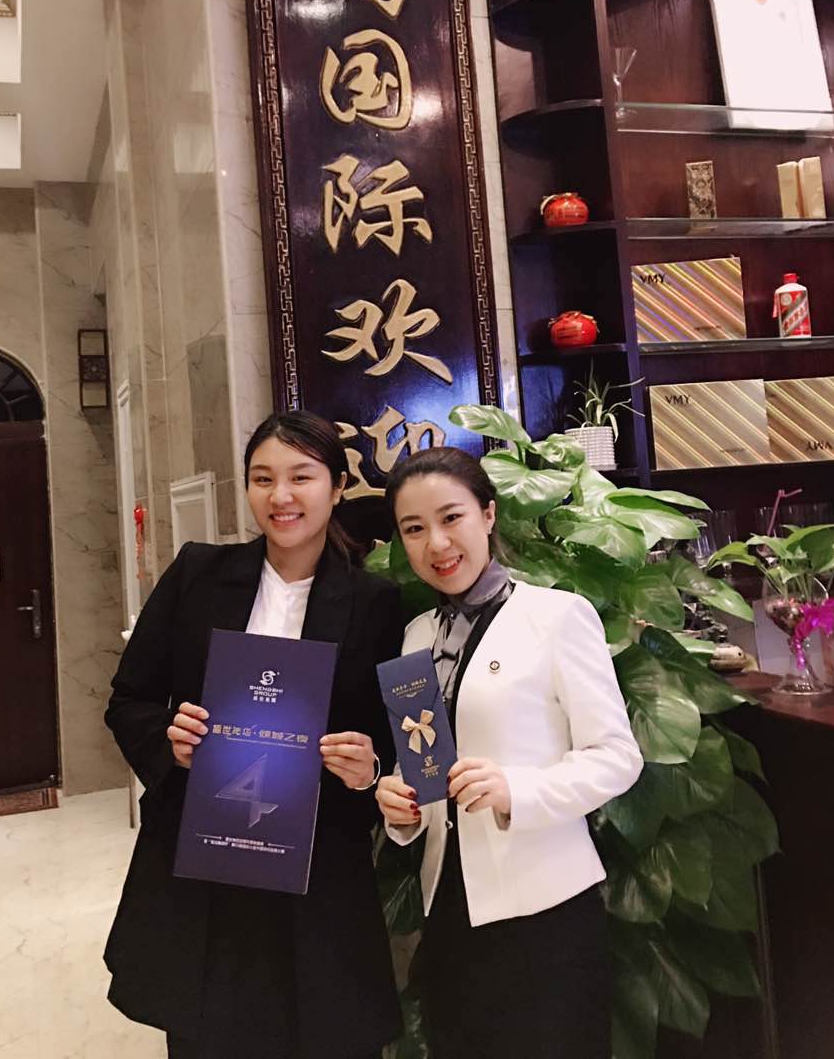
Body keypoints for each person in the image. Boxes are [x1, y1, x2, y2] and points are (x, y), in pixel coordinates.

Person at [104, 411, 403, 1059]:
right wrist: (169, 740)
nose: (281, 495)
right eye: (262, 479)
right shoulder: (198, 575)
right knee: (210, 1035)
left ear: (337, 486)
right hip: (205, 865)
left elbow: (392, 745)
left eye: (301, 476)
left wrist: (370, 768)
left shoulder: (376, 602)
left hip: (319, 873)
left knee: (322, 1034)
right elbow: (129, 699)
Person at [376, 446, 643, 1059]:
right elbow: (421, 761)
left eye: (452, 518)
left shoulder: (556, 616)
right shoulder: (417, 636)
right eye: (414, 529)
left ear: (489, 515)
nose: (437, 543)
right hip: (449, 908)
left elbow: (616, 755)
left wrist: (516, 791)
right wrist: (399, 805)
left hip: (544, 912)